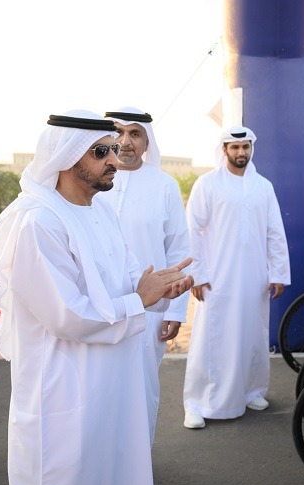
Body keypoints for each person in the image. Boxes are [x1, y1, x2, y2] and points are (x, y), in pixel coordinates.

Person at [0, 110, 193, 485]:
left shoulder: (101, 212)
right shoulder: (39, 223)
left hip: (110, 391)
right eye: (101, 152)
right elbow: (68, 315)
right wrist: (141, 299)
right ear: (66, 157)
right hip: (63, 398)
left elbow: (136, 277)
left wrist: (163, 289)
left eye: (113, 149)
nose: (114, 159)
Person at [183, 125, 290, 429]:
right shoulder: (207, 184)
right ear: (224, 150)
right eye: (234, 147)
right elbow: (193, 230)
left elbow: (274, 232)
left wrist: (278, 272)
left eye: (245, 147)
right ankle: (196, 402)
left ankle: (251, 391)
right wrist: (197, 275)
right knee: (211, 338)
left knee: (253, 334)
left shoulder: (262, 186)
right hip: (218, 277)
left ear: (251, 149)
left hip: (255, 276)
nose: (241, 152)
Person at [99, 107, 191, 445]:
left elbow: (178, 248)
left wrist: (176, 311)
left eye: (134, 134)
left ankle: (137, 472)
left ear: (147, 141)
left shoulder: (164, 185)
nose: (125, 142)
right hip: (100, 307)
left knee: (142, 388)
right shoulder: (90, 181)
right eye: (118, 132)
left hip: (151, 308)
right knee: (100, 389)